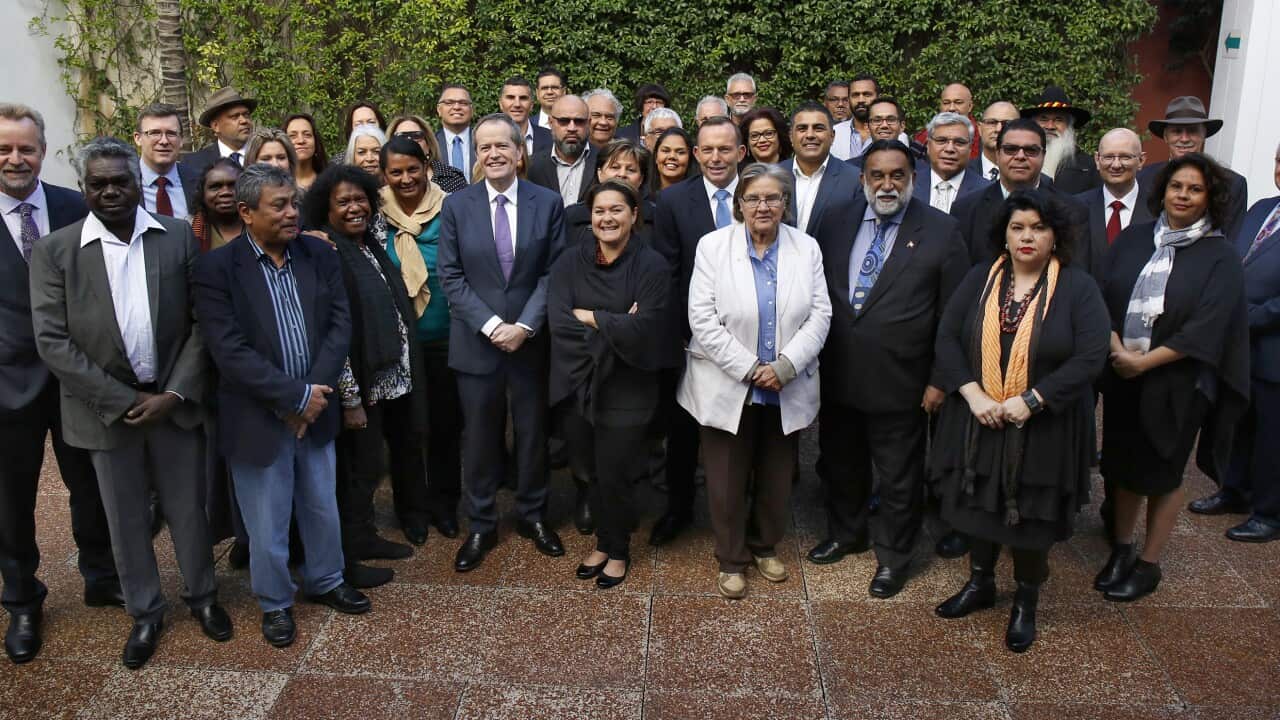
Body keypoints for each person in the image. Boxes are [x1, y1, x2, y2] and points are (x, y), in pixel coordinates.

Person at [30, 137, 230, 668]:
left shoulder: (176, 238)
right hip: (104, 411)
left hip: (172, 402)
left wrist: (174, 393)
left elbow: (201, 323)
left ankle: (204, 597)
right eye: (99, 184)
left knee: (189, 509)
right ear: (84, 189)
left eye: (121, 181)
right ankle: (145, 611)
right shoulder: (55, 251)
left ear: (138, 184)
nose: (111, 191)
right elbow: (52, 340)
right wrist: (121, 399)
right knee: (123, 518)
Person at [192, 164, 370, 649]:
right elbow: (228, 351)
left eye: (294, 203)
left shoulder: (319, 253)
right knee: (267, 521)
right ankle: (274, 603)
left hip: (316, 410)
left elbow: (339, 325)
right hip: (258, 417)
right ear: (247, 212)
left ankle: (327, 580)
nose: (293, 213)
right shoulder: (216, 270)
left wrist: (312, 395)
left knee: (321, 506)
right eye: (280, 206)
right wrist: (292, 398)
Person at [930, 189, 1110, 652]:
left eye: (1038, 228)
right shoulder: (980, 277)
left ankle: (1026, 601)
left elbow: (1091, 356)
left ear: (1055, 236)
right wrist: (972, 394)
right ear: (1004, 236)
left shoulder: (1078, 287)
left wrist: (1033, 400)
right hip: (980, 418)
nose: (1027, 237)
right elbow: (947, 337)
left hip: (1044, 427)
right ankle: (980, 582)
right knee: (978, 508)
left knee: (1032, 519)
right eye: (1018, 228)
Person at [805, 140, 968, 599]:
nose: (887, 184)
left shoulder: (942, 230)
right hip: (838, 371)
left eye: (898, 175)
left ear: (913, 178)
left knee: (899, 476)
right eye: (877, 175)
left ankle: (894, 557)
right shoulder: (834, 221)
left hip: (904, 380)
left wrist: (940, 379)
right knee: (842, 463)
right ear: (862, 179)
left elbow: (954, 315)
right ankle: (847, 533)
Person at [1096, 153, 1249, 603]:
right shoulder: (1134, 238)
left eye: (1195, 189)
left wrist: (1144, 363)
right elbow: (1101, 296)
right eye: (1176, 186)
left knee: (1163, 470)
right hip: (1123, 372)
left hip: (1179, 382)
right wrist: (1117, 349)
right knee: (1123, 465)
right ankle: (1122, 548)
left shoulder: (1220, 255)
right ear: (1161, 191)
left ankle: (1149, 564)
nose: (1183, 195)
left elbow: (1208, 326)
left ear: (1209, 198)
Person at [0, 103, 121, 665]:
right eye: (4, 149)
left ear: (43, 152)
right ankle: (23, 599)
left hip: (77, 377)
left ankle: (102, 575)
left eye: (26, 148)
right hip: (8, 384)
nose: (15, 158)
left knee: (90, 483)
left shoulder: (76, 207)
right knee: (11, 499)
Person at [679, 162, 831, 599]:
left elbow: (820, 314)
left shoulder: (807, 248)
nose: (763, 206)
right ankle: (731, 558)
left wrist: (785, 366)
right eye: (753, 198)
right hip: (727, 380)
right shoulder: (713, 246)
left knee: (777, 475)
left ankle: (765, 545)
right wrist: (750, 368)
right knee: (725, 477)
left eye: (772, 198)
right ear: (739, 204)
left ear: (785, 203)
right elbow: (702, 319)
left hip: (787, 382)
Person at [437, 113, 567, 571]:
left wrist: (525, 326)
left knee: (533, 434)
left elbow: (554, 271)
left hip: (531, 342)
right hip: (477, 343)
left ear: (519, 152)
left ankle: (533, 514)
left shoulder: (547, 202)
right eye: (484, 147)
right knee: (479, 437)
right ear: (477, 155)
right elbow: (450, 275)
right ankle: (481, 522)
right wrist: (492, 326)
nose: (493, 154)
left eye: (501, 146)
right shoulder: (457, 206)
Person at [303, 163, 427, 586]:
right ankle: (354, 546)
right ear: (325, 209)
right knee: (360, 467)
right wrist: (351, 398)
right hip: (360, 385)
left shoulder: (369, 243)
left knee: (393, 453)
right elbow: (333, 333)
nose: (354, 207)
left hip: (395, 377)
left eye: (361, 199)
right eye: (343, 202)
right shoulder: (326, 252)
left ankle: (387, 527)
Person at [550, 179, 674, 588]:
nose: (607, 218)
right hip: (579, 381)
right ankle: (603, 542)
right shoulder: (570, 260)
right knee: (590, 472)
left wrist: (592, 317)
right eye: (599, 211)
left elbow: (648, 328)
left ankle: (618, 550)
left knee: (616, 471)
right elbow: (560, 321)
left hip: (629, 385)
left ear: (634, 214)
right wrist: (618, 323)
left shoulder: (652, 264)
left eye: (617, 209)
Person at [650, 116, 747, 547]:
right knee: (684, 430)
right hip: (692, 342)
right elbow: (669, 274)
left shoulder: (760, 194)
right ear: (695, 154)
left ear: (741, 152)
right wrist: (681, 336)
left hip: (749, 337)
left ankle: (743, 511)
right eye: (707, 149)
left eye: (725, 149)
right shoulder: (673, 201)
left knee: (744, 430)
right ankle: (679, 508)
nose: (715, 158)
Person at [1193, 144, 1280, 542]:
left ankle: (1270, 513)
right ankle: (1235, 491)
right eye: (1279, 161)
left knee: (1271, 434)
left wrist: (1244, 318)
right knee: (1238, 422)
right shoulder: (1262, 208)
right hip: (1240, 348)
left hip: (1272, 347)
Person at [378, 137, 462, 539]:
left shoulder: (452, 207)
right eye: (396, 172)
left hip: (446, 333)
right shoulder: (373, 212)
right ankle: (411, 509)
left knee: (446, 426)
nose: (406, 178)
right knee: (404, 430)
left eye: (413, 169)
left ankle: (445, 504)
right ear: (384, 174)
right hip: (397, 342)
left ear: (426, 167)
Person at [951, 119, 1095, 276]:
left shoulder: (1072, 210)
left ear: (1043, 156)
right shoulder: (965, 210)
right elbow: (958, 276)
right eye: (1010, 149)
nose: (1020, 156)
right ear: (997, 155)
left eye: (1031, 150)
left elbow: (1076, 275)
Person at [1139, 96, 1248, 240]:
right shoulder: (1143, 178)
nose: (1184, 139)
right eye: (1177, 131)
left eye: (1192, 131)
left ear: (1204, 135)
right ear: (1165, 136)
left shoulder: (1232, 183)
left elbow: (1232, 240)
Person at [780, 102, 860, 236]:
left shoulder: (854, 180)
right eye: (802, 129)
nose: (810, 135)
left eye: (818, 128)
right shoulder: (772, 176)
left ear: (832, 136)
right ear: (791, 137)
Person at [565, 139, 654, 247]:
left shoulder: (655, 217)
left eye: (631, 170)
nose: (622, 174)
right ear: (599, 173)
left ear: (641, 179)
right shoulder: (573, 216)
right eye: (615, 167)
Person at [1079, 128, 1151, 251]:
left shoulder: (1158, 207)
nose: (1116, 165)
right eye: (1108, 157)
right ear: (1097, 160)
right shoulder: (1077, 207)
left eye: (1125, 157)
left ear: (1141, 160)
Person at [1020, 86, 1101, 195]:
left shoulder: (1087, 166)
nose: (1050, 126)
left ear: (1069, 126)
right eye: (1043, 119)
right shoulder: (1020, 159)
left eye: (1058, 120)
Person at [914, 112, 989, 214]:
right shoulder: (908, 185)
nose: (949, 149)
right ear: (928, 145)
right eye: (941, 140)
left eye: (959, 142)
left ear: (970, 148)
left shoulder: (987, 192)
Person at [133, 103, 199, 218]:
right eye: (154, 133)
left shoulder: (199, 182)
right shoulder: (124, 183)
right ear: (138, 138)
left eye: (171, 133)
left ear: (181, 139)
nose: (164, 141)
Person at [528, 95, 595, 206]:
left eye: (579, 121)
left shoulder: (604, 162)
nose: (572, 128)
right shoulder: (532, 166)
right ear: (550, 122)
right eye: (564, 121)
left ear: (589, 123)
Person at [182, 87, 256, 177]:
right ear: (216, 126)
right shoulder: (194, 164)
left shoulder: (265, 155)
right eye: (235, 116)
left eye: (246, 115)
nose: (244, 121)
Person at [387, 114, 469, 193]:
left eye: (416, 136)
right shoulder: (383, 181)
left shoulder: (452, 177)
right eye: (401, 137)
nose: (410, 141)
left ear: (428, 144)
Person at [912, 83, 981, 160]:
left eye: (958, 102)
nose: (951, 108)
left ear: (970, 106)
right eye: (946, 103)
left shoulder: (982, 135)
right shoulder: (925, 136)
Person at [189, 159, 243, 252]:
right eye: (215, 187)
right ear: (202, 193)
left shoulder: (262, 226)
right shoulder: (188, 230)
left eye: (233, 186)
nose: (225, 192)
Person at [499, 76, 552, 157]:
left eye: (523, 98)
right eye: (511, 98)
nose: (517, 104)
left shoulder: (551, 138)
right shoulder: (487, 138)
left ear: (531, 105)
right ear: (500, 104)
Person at [830, 73, 879, 161]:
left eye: (867, 94)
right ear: (849, 99)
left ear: (878, 97)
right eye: (855, 95)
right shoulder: (833, 133)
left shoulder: (897, 135)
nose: (861, 100)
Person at [436, 84, 476, 176]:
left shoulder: (484, 141)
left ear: (472, 110)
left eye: (463, 103)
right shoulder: (430, 144)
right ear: (439, 109)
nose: (457, 107)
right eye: (449, 103)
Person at [975, 101, 1020, 182]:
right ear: (979, 128)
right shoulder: (961, 172)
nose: (998, 129)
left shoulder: (1035, 179)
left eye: (1007, 123)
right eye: (992, 122)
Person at [649, 127, 696, 195]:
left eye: (680, 152)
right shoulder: (640, 196)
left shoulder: (702, 196)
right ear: (656, 156)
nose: (672, 156)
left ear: (690, 158)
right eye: (665, 151)